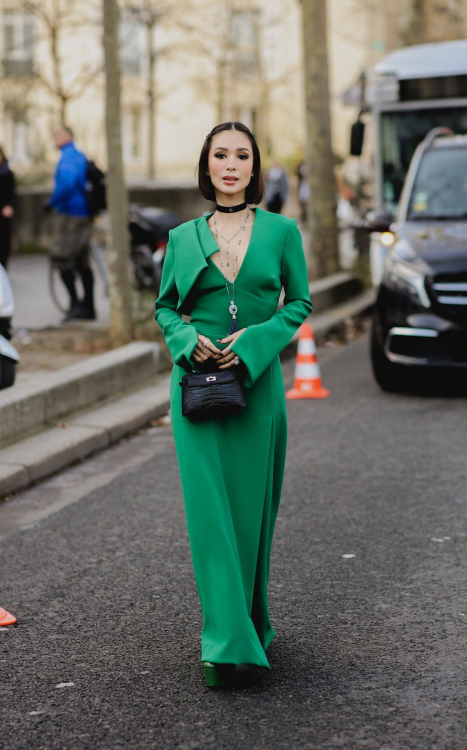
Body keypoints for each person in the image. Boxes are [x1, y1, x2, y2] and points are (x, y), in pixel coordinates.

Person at [154, 122, 312, 687]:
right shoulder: (181, 238)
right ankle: (224, 645)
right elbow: (166, 307)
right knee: (211, 521)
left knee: (251, 518)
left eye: (241, 155)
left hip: (259, 390)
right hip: (195, 391)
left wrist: (254, 343)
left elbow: (299, 303)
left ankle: (250, 624)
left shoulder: (281, 232)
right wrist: (184, 340)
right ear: (207, 165)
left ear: (254, 167)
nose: (230, 164)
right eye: (221, 154)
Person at [48, 125, 96, 321]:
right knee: (81, 260)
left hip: (71, 214)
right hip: (82, 213)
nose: (55, 138)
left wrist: (51, 202)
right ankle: (88, 306)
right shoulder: (78, 154)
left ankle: (76, 304)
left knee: (61, 257)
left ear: (68, 135)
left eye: (57, 134)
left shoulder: (68, 156)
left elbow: (67, 183)